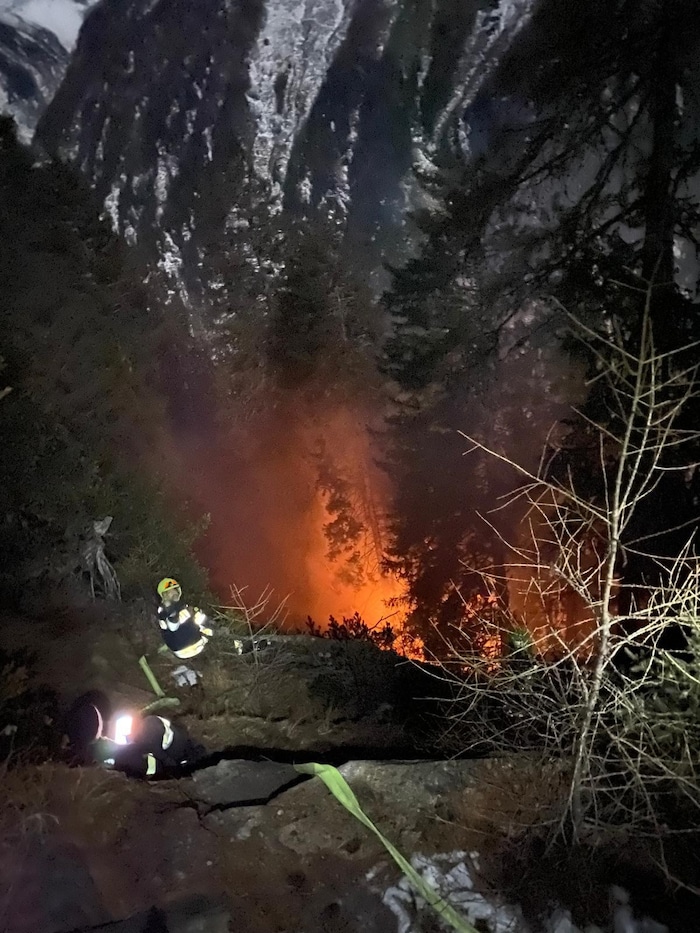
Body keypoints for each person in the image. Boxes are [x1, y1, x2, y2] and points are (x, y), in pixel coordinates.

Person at [156, 577, 213, 659]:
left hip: (198, 644)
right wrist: (171, 610)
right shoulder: (164, 610)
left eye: (175, 590)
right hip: (183, 648)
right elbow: (172, 626)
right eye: (169, 592)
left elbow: (200, 620)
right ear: (164, 595)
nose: (174, 593)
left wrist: (195, 613)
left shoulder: (182, 606)